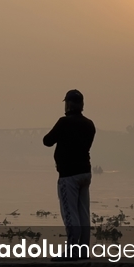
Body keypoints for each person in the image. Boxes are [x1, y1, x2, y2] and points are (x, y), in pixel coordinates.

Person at [43, 89, 96, 256]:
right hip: (85, 173)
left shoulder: (64, 122)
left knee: (70, 213)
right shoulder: (89, 124)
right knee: (83, 213)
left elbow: (47, 141)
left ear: (68, 104)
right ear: (82, 105)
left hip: (69, 175)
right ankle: (83, 250)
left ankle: (72, 252)